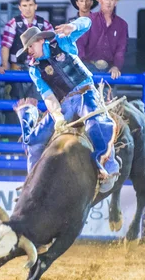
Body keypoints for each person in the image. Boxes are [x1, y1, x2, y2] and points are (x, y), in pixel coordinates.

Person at [13, 17, 120, 193]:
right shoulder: (34, 68)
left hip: (86, 91)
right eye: (27, 49)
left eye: (30, 46)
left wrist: (73, 26)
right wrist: (58, 116)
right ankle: (33, 183)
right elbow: (47, 95)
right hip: (64, 103)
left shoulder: (61, 42)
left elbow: (87, 22)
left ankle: (109, 167)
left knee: (96, 122)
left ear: (40, 40)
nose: (29, 51)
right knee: (34, 141)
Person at [1, 0, 54, 100]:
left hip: (39, 69)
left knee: (37, 104)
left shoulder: (44, 24)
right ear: (20, 7)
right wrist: (4, 64)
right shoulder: (13, 24)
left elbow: (52, 46)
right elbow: (5, 46)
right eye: (25, 5)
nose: (28, 8)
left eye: (30, 5)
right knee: (15, 105)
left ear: (35, 6)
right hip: (16, 69)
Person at [77, 0, 127, 80]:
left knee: (109, 95)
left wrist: (116, 66)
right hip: (88, 67)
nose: (109, 3)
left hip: (110, 70)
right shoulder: (89, 20)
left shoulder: (122, 24)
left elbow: (121, 49)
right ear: (100, 0)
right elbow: (80, 44)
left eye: (112, 0)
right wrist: (81, 66)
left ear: (115, 2)